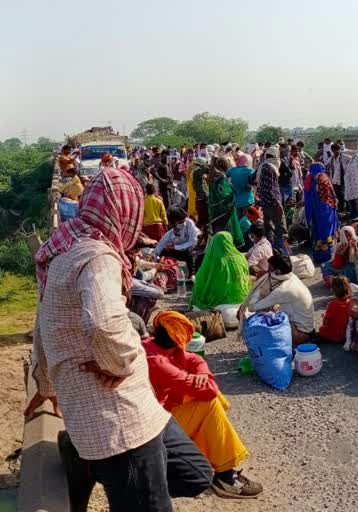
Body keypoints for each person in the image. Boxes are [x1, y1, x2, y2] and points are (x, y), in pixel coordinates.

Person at [28, 166, 212, 511]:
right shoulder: (97, 256)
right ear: (125, 210)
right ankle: (98, 463)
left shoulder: (67, 249)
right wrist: (123, 363)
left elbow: (45, 321)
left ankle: (86, 460)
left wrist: (48, 383)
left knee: (195, 472)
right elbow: (102, 324)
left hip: (133, 410)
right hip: (119, 426)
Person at [144, 312, 261, 499]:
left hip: (159, 414)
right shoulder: (157, 362)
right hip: (154, 427)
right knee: (211, 402)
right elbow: (209, 390)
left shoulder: (152, 344)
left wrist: (202, 374)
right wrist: (203, 379)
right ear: (177, 342)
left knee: (211, 404)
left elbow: (194, 359)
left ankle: (214, 462)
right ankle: (225, 477)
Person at [244, 253, 315, 345]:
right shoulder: (292, 277)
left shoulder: (283, 289)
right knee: (269, 310)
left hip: (300, 334)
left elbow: (252, 307)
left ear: (277, 272)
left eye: (269, 268)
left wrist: (259, 289)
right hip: (308, 329)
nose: (267, 271)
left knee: (262, 317)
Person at [190, 231, 251, 310]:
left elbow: (202, 279)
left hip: (218, 303)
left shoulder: (214, 260)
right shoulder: (241, 257)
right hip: (241, 299)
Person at [304, 162, 339, 263]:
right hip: (326, 211)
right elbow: (330, 196)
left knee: (318, 232)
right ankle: (327, 255)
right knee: (326, 232)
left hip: (315, 211)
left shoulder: (310, 179)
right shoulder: (323, 178)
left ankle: (318, 254)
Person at [208, 157, 244, 247]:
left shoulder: (212, 176)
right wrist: (233, 190)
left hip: (215, 209)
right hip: (224, 210)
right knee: (226, 232)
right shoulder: (221, 178)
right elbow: (224, 195)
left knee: (218, 231)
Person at [153, 207, 201, 274]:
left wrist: (175, 247)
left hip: (192, 249)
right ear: (173, 223)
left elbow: (193, 242)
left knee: (191, 253)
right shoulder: (169, 235)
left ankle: (192, 274)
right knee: (164, 251)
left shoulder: (189, 223)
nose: (183, 223)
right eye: (180, 222)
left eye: (184, 220)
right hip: (178, 252)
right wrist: (153, 264)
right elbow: (157, 250)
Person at [256, 148, 288, 245]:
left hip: (265, 202)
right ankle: (280, 250)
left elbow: (253, 180)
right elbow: (270, 189)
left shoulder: (263, 166)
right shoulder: (269, 168)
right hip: (273, 203)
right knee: (279, 229)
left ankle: (271, 249)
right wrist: (278, 204)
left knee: (268, 228)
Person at [318, 276, 353, 343]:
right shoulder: (351, 303)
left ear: (333, 291)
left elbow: (326, 322)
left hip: (333, 335)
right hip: (345, 335)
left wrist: (324, 317)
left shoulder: (332, 305)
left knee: (321, 329)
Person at [226, 153, 255, 218]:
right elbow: (255, 181)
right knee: (247, 220)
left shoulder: (232, 170)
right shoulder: (250, 170)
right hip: (248, 199)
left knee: (238, 220)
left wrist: (230, 185)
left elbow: (224, 176)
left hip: (236, 200)